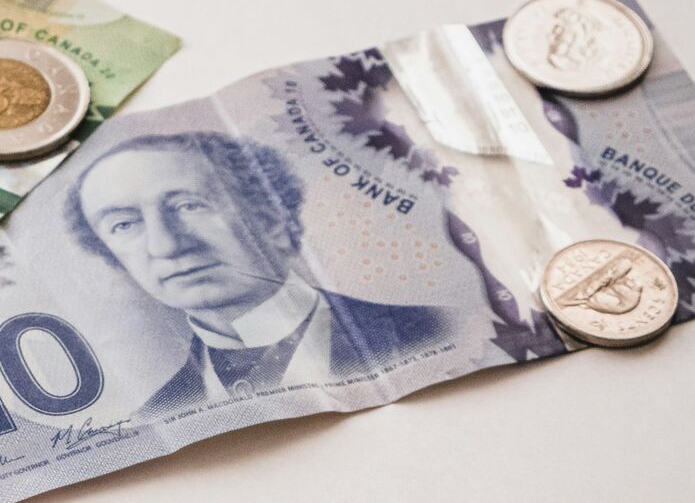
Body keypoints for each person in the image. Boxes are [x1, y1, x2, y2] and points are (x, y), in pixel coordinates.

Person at [66, 131, 453, 414]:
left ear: (272, 221)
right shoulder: (156, 417)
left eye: (189, 206)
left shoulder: (435, 331)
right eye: (124, 225)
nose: (165, 245)